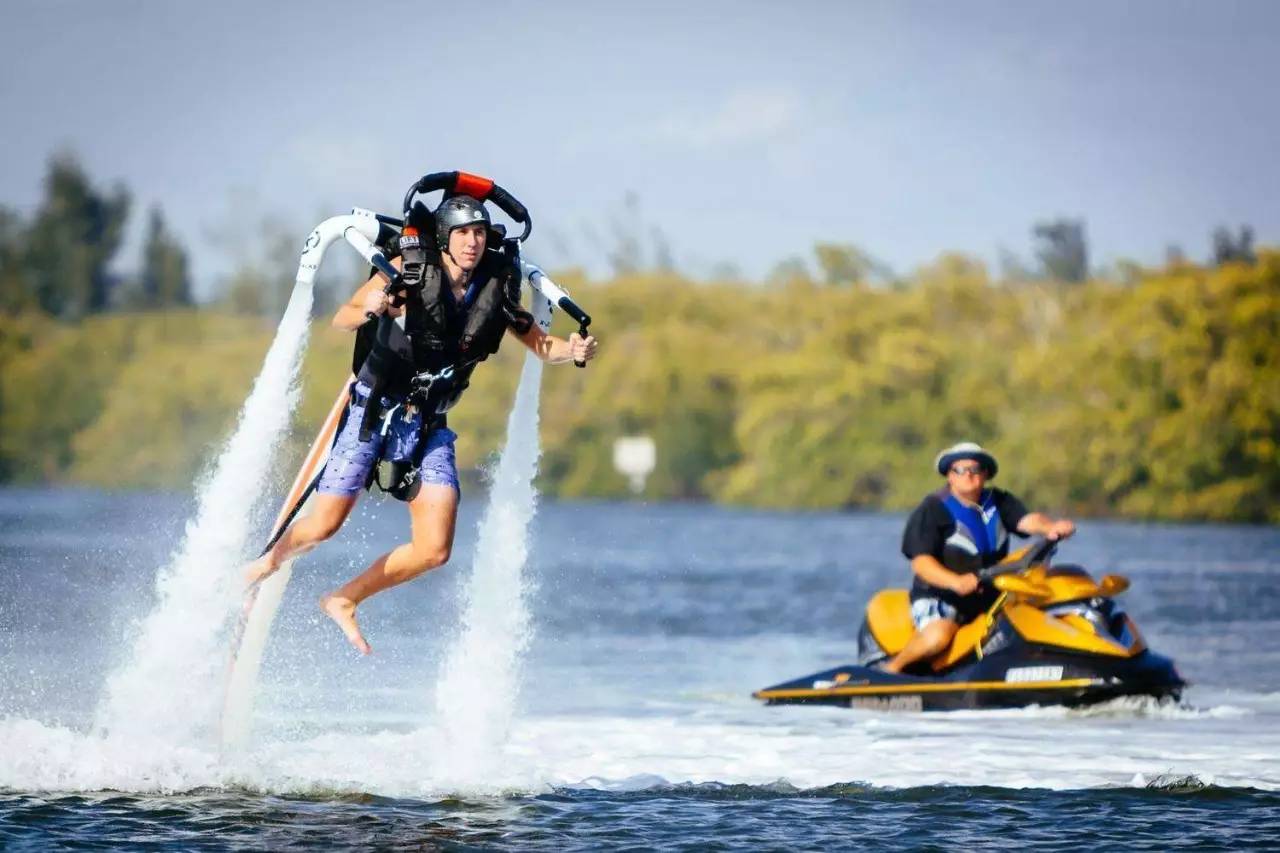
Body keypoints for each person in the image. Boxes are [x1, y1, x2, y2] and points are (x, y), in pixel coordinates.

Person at [245, 194, 598, 654]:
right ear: (445, 239)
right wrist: (376, 307)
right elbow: (342, 318)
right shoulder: (408, 271)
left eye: (480, 234)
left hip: (428, 422)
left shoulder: (495, 287)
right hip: (375, 409)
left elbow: (541, 343)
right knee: (322, 527)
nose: (473, 243)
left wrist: (573, 351)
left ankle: (344, 599)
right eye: (463, 233)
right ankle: (260, 568)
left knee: (435, 549)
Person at [882, 442, 1075, 674]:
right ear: (950, 476)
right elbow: (921, 562)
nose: (969, 475)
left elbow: (1027, 520)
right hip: (942, 596)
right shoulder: (933, 508)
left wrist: (1051, 528)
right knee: (938, 637)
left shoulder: (1000, 502)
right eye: (961, 470)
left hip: (992, 594)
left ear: (985, 474)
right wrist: (956, 582)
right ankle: (891, 670)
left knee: (1035, 616)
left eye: (975, 469)